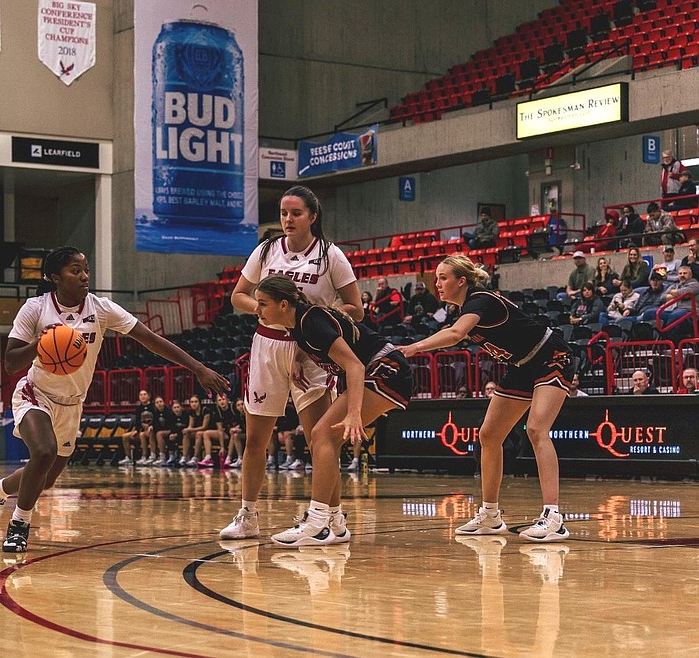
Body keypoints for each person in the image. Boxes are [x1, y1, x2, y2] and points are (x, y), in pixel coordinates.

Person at [0, 246, 228, 552]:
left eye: (86, 270)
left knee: (47, 477)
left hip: (72, 402)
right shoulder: (35, 308)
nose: (84, 277)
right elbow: (12, 362)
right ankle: (19, 525)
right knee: (43, 452)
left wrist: (198, 368)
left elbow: (152, 340)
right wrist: (41, 345)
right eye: (75, 271)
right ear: (55, 277)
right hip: (35, 394)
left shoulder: (102, 308)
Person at [219, 185, 363, 542]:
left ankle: (334, 519)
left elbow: (356, 309)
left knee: (321, 441)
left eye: (296, 213)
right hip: (268, 345)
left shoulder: (330, 255)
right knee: (255, 439)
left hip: (313, 351)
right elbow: (237, 295)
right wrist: (268, 308)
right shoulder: (266, 250)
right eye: (284, 213)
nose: (287, 219)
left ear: (313, 217)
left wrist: (313, 319)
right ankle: (248, 515)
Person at [399, 255, 574, 542]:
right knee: (489, 435)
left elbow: (456, 335)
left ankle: (553, 517)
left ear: (462, 281)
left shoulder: (480, 300)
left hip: (552, 356)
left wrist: (414, 347)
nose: (437, 284)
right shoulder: (468, 308)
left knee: (536, 429)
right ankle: (490, 516)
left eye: (444, 278)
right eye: (436, 278)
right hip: (522, 365)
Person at [252, 276, 411, 546]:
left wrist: (353, 412)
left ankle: (316, 523)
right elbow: (322, 341)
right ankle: (335, 524)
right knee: (321, 438)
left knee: (322, 435)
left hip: (385, 370)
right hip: (382, 370)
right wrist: (298, 360)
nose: (257, 311)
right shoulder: (301, 324)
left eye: (262, 304)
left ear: (282, 304)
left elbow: (355, 366)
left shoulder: (310, 322)